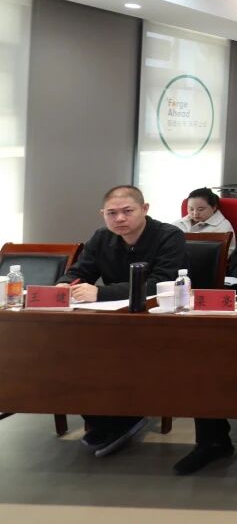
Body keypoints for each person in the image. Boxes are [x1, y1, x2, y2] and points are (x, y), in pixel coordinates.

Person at [57, 185, 186, 461]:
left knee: (110, 356)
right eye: (112, 213)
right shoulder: (101, 237)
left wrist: (101, 293)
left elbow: (159, 284)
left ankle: (124, 418)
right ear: (102, 214)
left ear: (145, 209)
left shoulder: (168, 236)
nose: (119, 219)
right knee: (70, 353)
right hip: (112, 321)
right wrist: (65, 285)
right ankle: (106, 421)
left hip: (158, 320)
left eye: (127, 211)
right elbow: (80, 272)